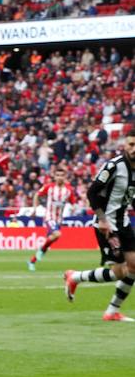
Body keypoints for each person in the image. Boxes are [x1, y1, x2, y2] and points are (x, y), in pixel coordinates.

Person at [64, 131, 135, 322]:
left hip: (124, 222)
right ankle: (75, 277)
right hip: (107, 225)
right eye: (131, 144)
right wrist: (102, 220)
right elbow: (92, 192)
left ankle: (112, 312)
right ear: (125, 145)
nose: (133, 149)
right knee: (121, 272)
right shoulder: (114, 166)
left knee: (134, 266)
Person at [27, 167, 74, 271]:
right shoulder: (49, 187)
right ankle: (40, 251)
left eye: (62, 175)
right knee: (57, 234)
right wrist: (34, 209)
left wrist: (73, 207)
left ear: (65, 177)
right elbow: (36, 195)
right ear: (54, 176)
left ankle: (32, 261)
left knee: (52, 240)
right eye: (57, 175)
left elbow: (72, 202)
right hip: (49, 217)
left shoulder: (69, 190)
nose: (59, 177)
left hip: (58, 220)